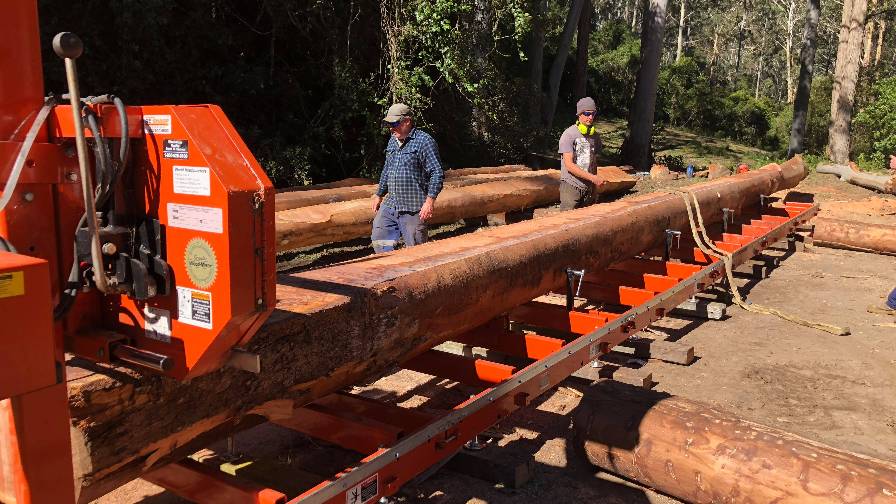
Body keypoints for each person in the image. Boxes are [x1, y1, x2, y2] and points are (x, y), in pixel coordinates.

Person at [371, 103, 444, 253]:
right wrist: (379, 194)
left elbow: (437, 173)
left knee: (416, 252)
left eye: (394, 123)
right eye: (388, 124)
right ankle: (387, 271)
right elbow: (387, 169)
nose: (391, 128)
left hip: (413, 207)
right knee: (380, 238)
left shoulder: (424, 141)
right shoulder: (392, 141)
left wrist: (429, 202)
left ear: (407, 121)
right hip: (391, 204)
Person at [558, 97, 606, 210]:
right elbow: (569, 165)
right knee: (566, 224)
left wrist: (594, 185)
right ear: (579, 114)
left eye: (593, 114)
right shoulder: (568, 135)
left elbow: (594, 162)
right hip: (571, 186)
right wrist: (593, 178)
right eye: (587, 113)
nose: (591, 117)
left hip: (589, 187)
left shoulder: (595, 136)